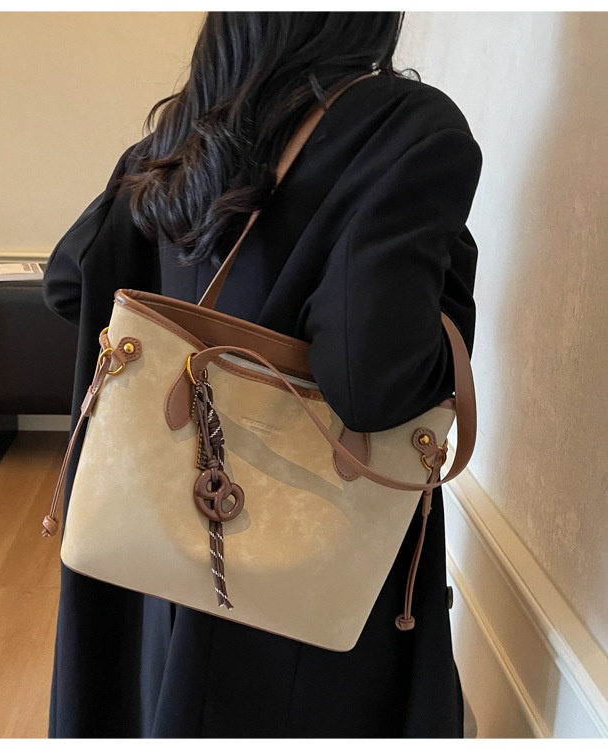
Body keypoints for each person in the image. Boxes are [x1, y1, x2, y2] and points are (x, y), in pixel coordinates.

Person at [43, 11, 482, 738]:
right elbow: (370, 384)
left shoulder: (176, 143)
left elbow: (68, 283)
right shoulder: (403, 128)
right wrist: (451, 299)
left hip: (148, 539)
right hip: (297, 574)